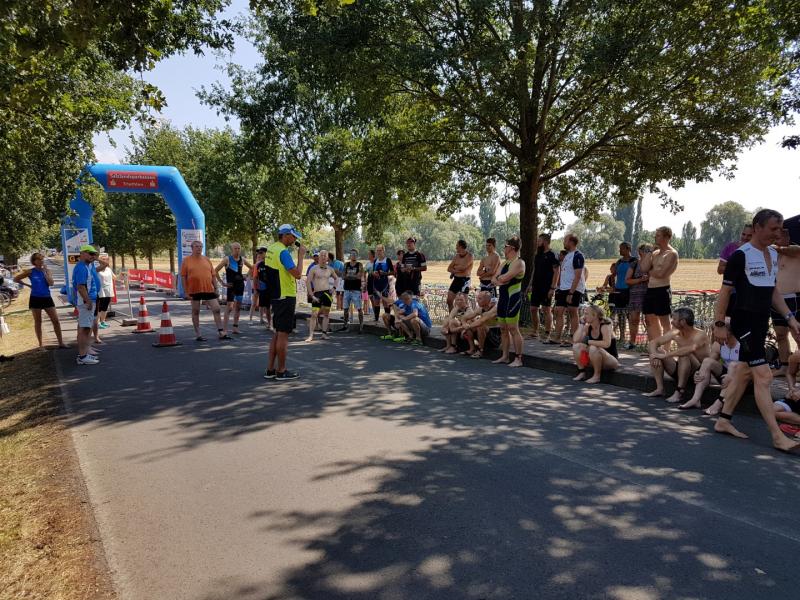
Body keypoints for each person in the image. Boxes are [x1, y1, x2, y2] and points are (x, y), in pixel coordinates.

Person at [711, 209, 800, 452]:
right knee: (764, 376)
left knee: (742, 372)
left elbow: (773, 291)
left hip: (761, 323)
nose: (778, 234)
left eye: (780, 229)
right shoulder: (741, 256)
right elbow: (724, 292)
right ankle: (777, 436)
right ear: (758, 227)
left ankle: (723, 420)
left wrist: (790, 318)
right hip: (744, 324)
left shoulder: (773, 253)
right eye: (773, 229)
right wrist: (720, 324)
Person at [264, 225, 306, 380]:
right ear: (286, 235)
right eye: (293, 236)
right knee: (283, 334)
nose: (295, 240)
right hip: (285, 295)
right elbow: (298, 274)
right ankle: (281, 370)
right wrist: (301, 256)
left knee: (277, 333)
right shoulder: (283, 252)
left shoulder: (271, 249)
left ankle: (270, 369)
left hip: (276, 295)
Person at [644, 307, 710, 402]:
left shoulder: (700, 334)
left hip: (698, 373)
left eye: (674, 319)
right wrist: (655, 356)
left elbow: (690, 349)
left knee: (685, 354)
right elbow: (653, 343)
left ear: (682, 322)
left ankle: (679, 392)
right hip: (681, 370)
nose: (671, 322)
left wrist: (664, 356)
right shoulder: (675, 331)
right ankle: (660, 389)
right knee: (657, 351)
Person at [678, 323, 740, 410]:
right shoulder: (717, 345)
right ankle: (695, 399)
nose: (715, 338)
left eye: (718, 336)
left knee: (733, 365)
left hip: (742, 378)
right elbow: (707, 364)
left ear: (728, 333)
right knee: (707, 361)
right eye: (715, 335)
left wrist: (731, 376)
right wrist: (698, 372)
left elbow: (749, 367)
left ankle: (719, 402)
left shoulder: (741, 343)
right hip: (725, 376)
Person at [13, 252, 67, 349]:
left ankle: (61, 343)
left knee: (56, 321)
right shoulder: (30, 271)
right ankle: (40, 345)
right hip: (35, 298)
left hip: (47, 298)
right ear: (34, 261)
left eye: (42, 259)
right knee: (38, 322)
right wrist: (28, 285)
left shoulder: (47, 271)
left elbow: (51, 283)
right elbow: (16, 279)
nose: (41, 261)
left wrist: (45, 272)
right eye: (38, 259)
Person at [180, 240, 227, 341]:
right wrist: (185, 291)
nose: (199, 248)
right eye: (197, 246)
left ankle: (221, 332)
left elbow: (213, 275)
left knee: (216, 308)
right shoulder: (186, 260)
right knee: (196, 311)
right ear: (192, 248)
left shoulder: (206, 259)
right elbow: (183, 277)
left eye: (200, 246)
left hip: (208, 288)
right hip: (194, 289)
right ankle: (198, 334)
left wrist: (216, 288)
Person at [491, 236, 526, 367]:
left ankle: (518, 358)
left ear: (511, 248)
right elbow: (494, 279)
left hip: (513, 298)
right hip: (503, 298)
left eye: (505, 246)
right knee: (503, 328)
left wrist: (500, 279)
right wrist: (500, 279)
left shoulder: (519, 262)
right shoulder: (505, 263)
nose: (503, 249)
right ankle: (505, 356)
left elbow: (504, 278)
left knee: (513, 328)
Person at [640, 226, 679, 340]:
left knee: (665, 322)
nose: (655, 237)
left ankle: (666, 348)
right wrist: (650, 252)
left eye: (658, 235)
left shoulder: (672, 254)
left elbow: (661, 274)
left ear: (666, 237)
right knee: (650, 320)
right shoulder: (655, 253)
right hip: (650, 289)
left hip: (662, 289)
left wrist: (650, 272)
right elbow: (643, 268)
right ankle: (655, 346)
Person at [771, 228, 800, 375]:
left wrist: (773, 247)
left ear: (787, 238)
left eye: (778, 238)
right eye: (774, 238)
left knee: (797, 334)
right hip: (776, 300)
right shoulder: (772, 255)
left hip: (793, 299)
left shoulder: (796, 250)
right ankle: (784, 366)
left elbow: (790, 250)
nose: (775, 241)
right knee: (780, 334)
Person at [551, 233, 585, 347]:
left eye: (565, 240)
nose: (563, 242)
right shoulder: (567, 256)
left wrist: (571, 292)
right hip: (563, 288)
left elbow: (578, 276)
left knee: (572, 311)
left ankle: (574, 339)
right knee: (558, 311)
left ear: (571, 242)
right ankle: (557, 337)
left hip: (574, 288)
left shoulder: (578, 255)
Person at [571, 304, 620, 384]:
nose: (584, 316)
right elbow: (575, 340)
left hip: (610, 361)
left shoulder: (605, 326)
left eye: (586, 314)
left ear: (595, 315)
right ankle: (582, 372)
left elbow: (606, 344)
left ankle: (597, 376)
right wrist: (581, 324)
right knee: (576, 346)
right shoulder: (588, 327)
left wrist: (589, 342)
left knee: (593, 348)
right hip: (595, 359)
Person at [215, 243, 253, 336]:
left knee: (238, 307)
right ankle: (224, 330)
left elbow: (252, 268)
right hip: (231, 286)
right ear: (232, 249)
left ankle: (235, 328)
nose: (237, 250)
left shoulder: (242, 259)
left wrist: (246, 276)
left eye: (239, 248)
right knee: (229, 308)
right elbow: (215, 270)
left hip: (240, 286)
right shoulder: (227, 259)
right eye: (235, 248)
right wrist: (222, 282)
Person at [71, 245, 100, 364]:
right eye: (90, 253)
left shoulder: (86, 266)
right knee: (85, 329)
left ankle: (84, 354)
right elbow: (81, 286)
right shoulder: (81, 267)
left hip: (88, 300)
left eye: (94, 254)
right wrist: (88, 301)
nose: (93, 256)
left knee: (86, 328)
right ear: (82, 253)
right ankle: (82, 357)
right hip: (85, 302)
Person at [528, 233, 559, 341]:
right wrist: (530, 284)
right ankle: (535, 331)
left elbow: (557, 272)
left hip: (547, 287)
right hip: (536, 286)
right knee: (533, 308)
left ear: (545, 242)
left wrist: (553, 288)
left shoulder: (552, 255)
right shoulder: (538, 255)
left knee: (546, 309)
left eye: (539, 241)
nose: (537, 242)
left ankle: (547, 332)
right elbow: (534, 270)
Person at [454, 290, 499, 359]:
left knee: (480, 325)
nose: (477, 300)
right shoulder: (480, 309)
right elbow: (464, 318)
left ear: (487, 300)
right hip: (485, 335)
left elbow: (481, 321)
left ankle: (480, 350)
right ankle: (472, 349)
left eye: (480, 299)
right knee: (469, 322)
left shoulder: (494, 309)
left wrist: (465, 328)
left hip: (496, 338)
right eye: (477, 298)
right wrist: (465, 324)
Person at [623, 243, 651, 350]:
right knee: (634, 319)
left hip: (649, 294)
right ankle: (632, 342)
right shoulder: (634, 264)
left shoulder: (653, 264)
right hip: (635, 295)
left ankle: (651, 344)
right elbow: (627, 280)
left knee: (649, 320)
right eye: (645, 251)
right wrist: (640, 280)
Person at [305, 250, 337, 341]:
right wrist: (311, 294)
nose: (323, 257)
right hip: (317, 293)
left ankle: (324, 333)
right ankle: (311, 335)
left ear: (327, 258)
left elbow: (336, 278)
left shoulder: (330, 269)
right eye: (321, 255)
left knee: (326, 314)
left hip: (327, 294)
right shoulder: (314, 268)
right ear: (319, 257)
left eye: (325, 255)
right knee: (314, 314)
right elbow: (308, 281)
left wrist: (334, 288)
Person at [609, 242, 634, 345]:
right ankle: (622, 337)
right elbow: (612, 275)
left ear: (628, 249)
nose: (619, 250)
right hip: (618, 291)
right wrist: (613, 287)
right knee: (620, 315)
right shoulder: (619, 261)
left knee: (630, 315)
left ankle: (632, 338)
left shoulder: (634, 261)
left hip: (628, 291)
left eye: (621, 249)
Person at [340, 249, 365, 332]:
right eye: (352, 254)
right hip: (347, 289)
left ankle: (361, 326)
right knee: (345, 309)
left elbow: (359, 276)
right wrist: (353, 276)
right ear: (350, 255)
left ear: (357, 256)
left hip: (356, 290)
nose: (353, 255)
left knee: (359, 308)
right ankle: (345, 325)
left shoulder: (359, 265)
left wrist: (349, 276)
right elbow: (343, 276)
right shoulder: (346, 264)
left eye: (355, 254)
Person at [93, 257, 116, 343]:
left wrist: (122, 276)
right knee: (99, 307)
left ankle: (103, 321)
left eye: (106, 259)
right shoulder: (97, 269)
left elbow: (114, 277)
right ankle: (98, 322)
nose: (105, 261)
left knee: (105, 307)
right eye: (103, 259)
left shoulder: (109, 269)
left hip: (108, 290)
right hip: (100, 291)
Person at [371, 245, 394, 329]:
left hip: (384, 283)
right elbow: (373, 271)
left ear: (383, 251)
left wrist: (385, 273)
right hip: (376, 283)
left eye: (380, 250)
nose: (378, 252)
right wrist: (373, 273)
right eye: (377, 250)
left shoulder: (387, 260)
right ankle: (376, 319)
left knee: (385, 302)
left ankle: (388, 318)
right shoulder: (375, 260)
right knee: (376, 301)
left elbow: (393, 272)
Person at [446, 240, 473, 310]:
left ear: (461, 247)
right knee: (449, 300)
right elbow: (449, 268)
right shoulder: (456, 256)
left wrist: (454, 268)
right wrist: (457, 270)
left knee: (464, 302)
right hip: (456, 279)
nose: (456, 248)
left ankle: (467, 315)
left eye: (457, 246)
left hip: (465, 280)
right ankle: (452, 315)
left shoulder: (469, 256)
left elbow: (463, 268)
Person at [252, 247, 271, 328]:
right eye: (259, 253)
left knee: (272, 307)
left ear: (266, 253)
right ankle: (268, 323)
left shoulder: (271, 263)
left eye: (261, 253)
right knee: (265, 307)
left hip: (272, 288)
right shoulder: (258, 265)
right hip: (263, 288)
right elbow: (255, 277)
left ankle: (272, 323)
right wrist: (255, 288)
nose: (260, 255)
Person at [365, 249, 378, 320]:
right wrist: (364, 281)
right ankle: (375, 315)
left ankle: (377, 315)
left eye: (369, 254)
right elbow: (364, 273)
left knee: (376, 299)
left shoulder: (377, 262)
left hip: (376, 282)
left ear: (373, 255)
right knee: (371, 299)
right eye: (368, 254)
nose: (368, 255)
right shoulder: (367, 264)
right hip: (369, 282)